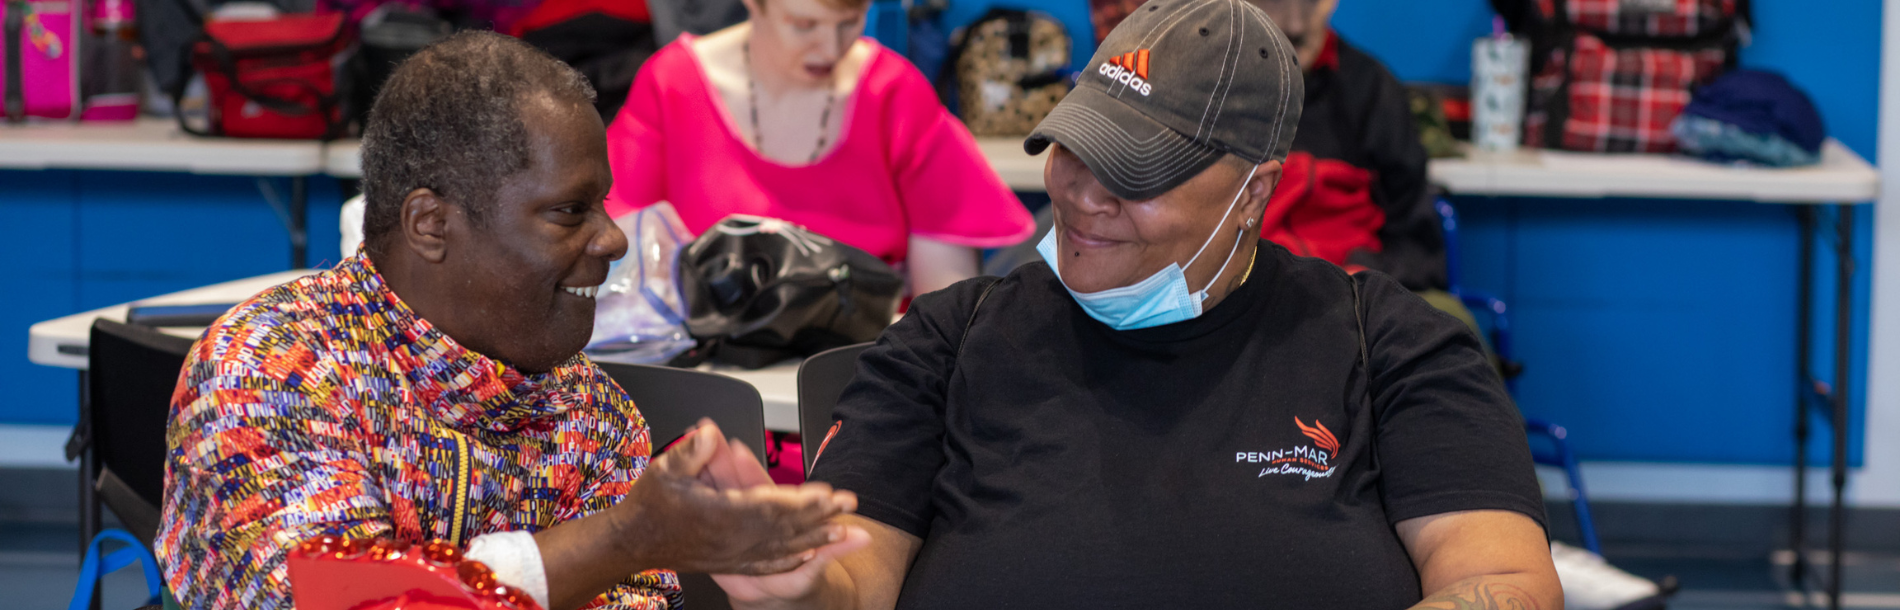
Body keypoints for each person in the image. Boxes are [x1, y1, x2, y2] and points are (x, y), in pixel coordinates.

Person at [710, 1, 1562, 608]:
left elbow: (1505, 580)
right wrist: (798, 585)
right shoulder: (949, 339)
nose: (1084, 195)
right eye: (1075, 150)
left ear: (1256, 189)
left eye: (1138, 174)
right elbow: (857, 580)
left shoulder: (1388, 345)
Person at [157, 32, 859, 610]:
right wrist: (623, 539)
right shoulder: (277, 366)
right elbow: (327, 602)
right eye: (569, 210)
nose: (614, 239)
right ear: (432, 224)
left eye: (604, 205)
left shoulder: (589, 410)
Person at [602, 0, 1035, 296]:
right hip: (709, 370)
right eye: (804, 25)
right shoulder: (671, 84)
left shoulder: (894, 92)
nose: (830, 49)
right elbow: (621, 262)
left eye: (850, 20)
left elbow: (943, 303)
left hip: (862, 368)